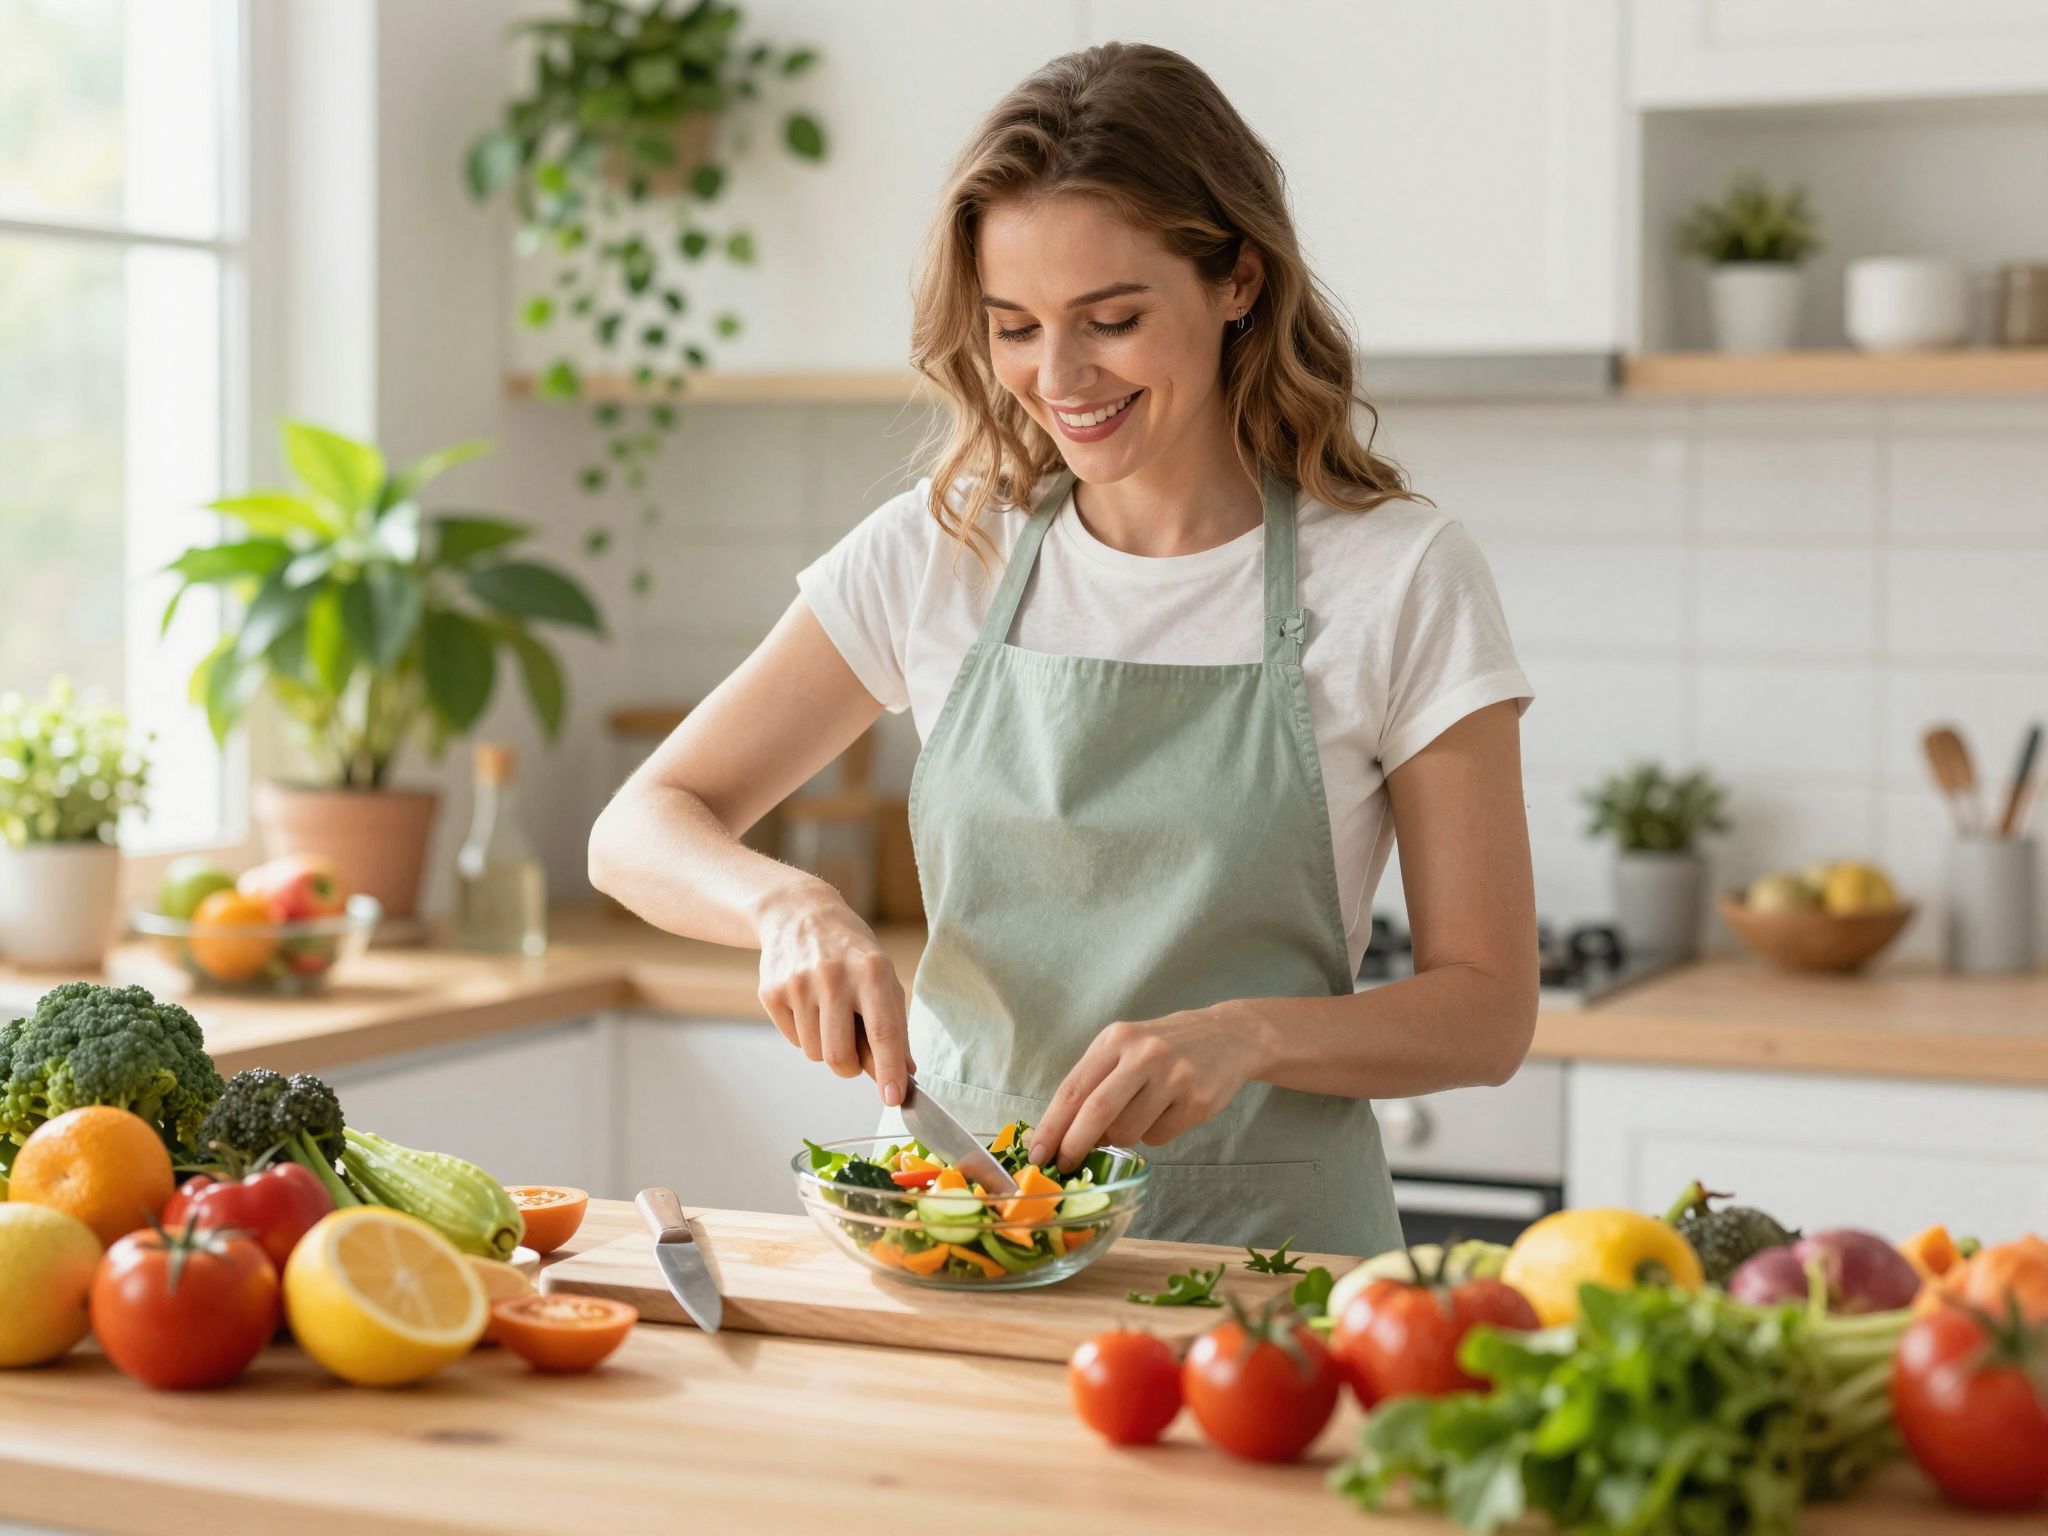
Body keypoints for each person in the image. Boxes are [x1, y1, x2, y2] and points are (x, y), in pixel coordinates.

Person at [589, 42, 1537, 1256]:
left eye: (1112, 319)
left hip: (1265, 1267)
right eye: (1014, 329)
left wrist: (1251, 1033)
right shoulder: (942, 549)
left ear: (1237, 280)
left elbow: (1487, 1010)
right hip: (959, 1241)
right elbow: (640, 824)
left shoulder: (1396, 574)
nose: (1059, 376)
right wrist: (789, 906)